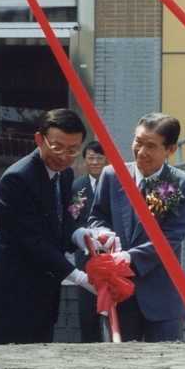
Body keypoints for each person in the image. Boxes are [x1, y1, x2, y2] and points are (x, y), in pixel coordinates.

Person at [0, 109, 106, 345]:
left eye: (73, 150)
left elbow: (60, 220)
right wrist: (79, 277)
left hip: (45, 291)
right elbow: (32, 240)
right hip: (14, 292)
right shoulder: (18, 179)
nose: (64, 157)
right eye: (57, 148)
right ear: (39, 139)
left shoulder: (65, 175)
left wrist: (81, 235)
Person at [88, 114, 185, 342]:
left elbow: (172, 237)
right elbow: (97, 217)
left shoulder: (184, 185)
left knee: (166, 367)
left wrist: (128, 258)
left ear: (170, 150)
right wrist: (102, 235)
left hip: (161, 298)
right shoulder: (112, 175)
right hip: (118, 293)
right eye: (138, 142)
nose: (141, 152)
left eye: (151, 146)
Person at [71, 141, 108, 342]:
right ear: (84, 160)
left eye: (99, 157)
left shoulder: (115, 184)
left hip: (110, 252)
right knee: (87, 302)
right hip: (84, 253)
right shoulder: (77, 186)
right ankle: (89, 343)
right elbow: (71, 220)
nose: (95, 162)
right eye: (90, 158)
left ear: (107, 159)